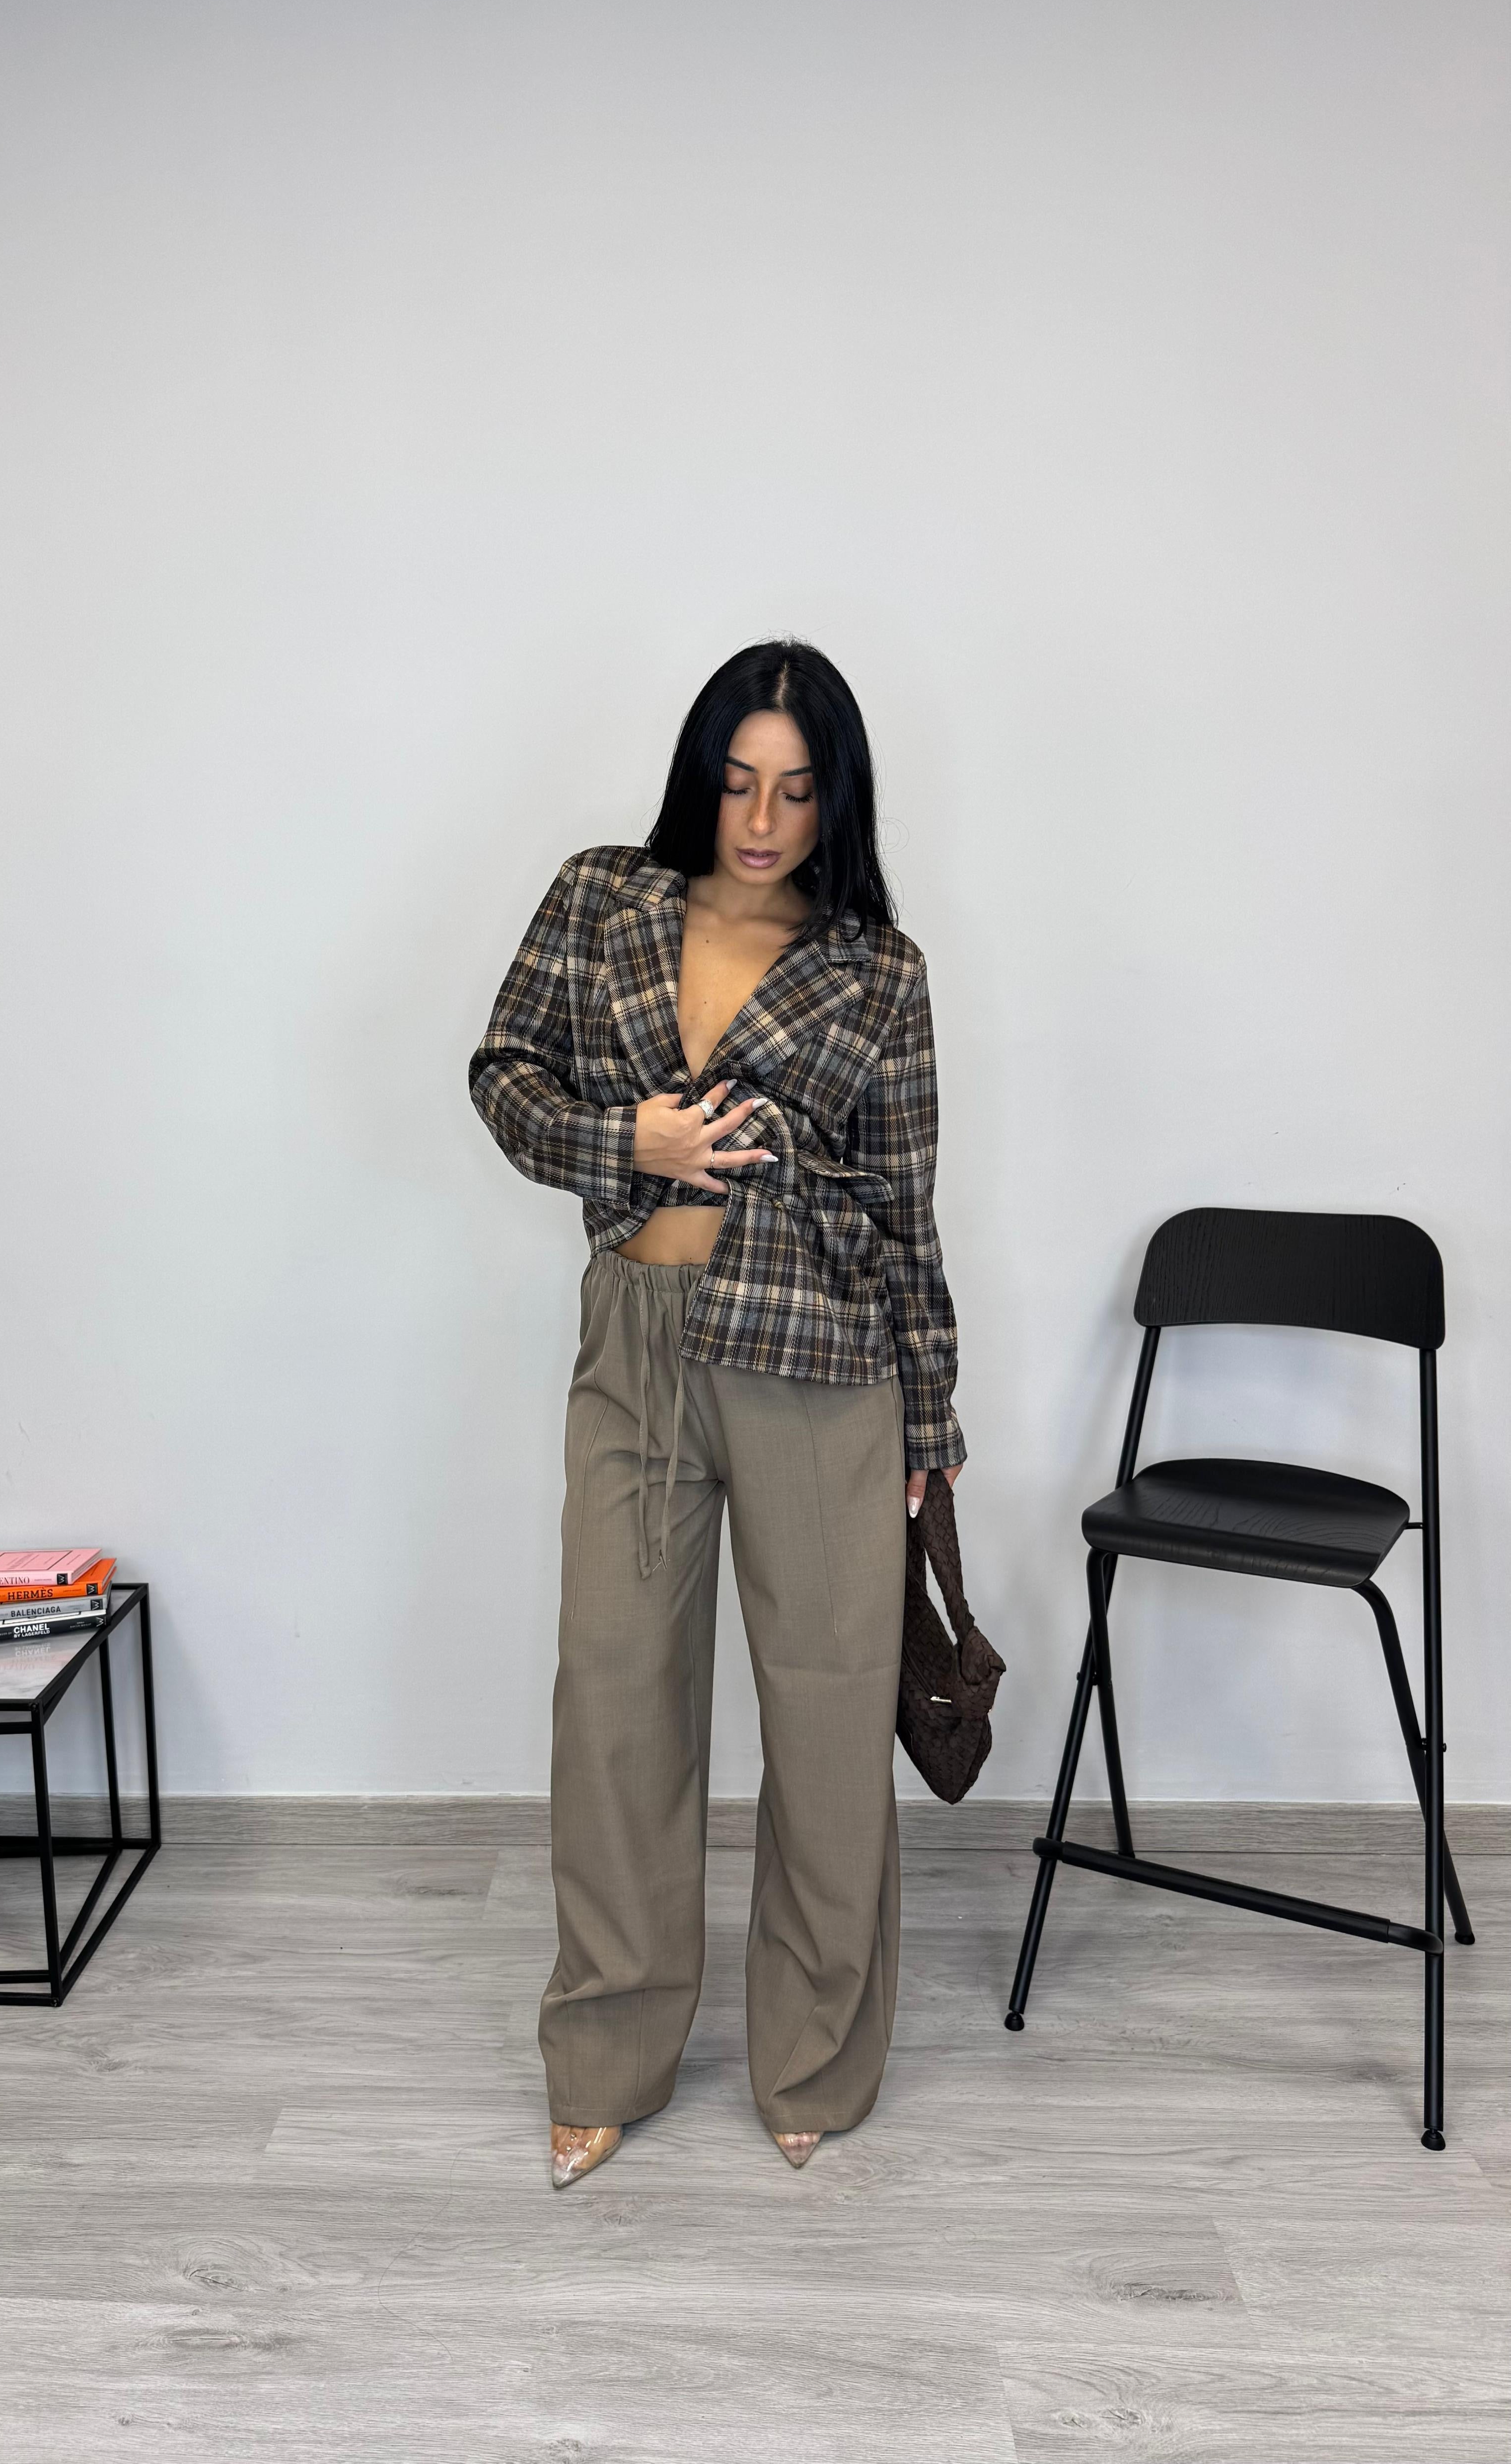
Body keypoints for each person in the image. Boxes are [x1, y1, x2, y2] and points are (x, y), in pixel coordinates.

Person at [469, 640, 964, 2188]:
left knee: (826, 1713)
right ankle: (605, 2054)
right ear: (701, 777)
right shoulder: (600, 898)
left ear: (835, 801)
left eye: (795, 791)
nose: (761, 822)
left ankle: (812, 2054)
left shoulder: (875, 970)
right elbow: (503, 1079)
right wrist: (629, 1141)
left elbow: (903, 1209)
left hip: (819, 1356)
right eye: (739, 783)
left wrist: (928, 1432)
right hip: (638, 1339)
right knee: (615, 1699)